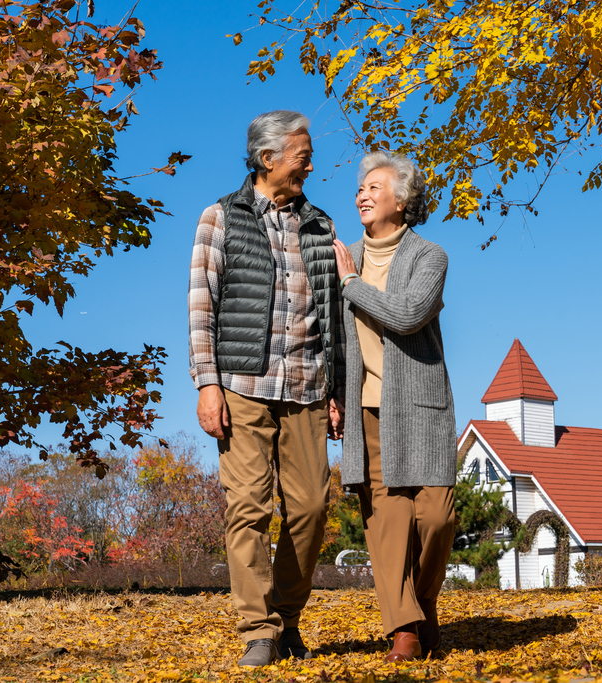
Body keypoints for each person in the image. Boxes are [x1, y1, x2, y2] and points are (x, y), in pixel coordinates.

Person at [188, 110, 345, 668]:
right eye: (301, 153)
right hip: (242, 385)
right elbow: (202, 308)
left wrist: (337, 390)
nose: (309, 162)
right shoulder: (220, 218)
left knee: (309, 508)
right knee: (248, 507)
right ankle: (259, 629)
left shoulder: (321, 226)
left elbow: (333, 315)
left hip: (306, 386)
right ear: (266, 158)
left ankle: (288, 615)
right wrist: (208, 384)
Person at [332, 150, 457, 662]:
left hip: (421, 408)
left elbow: (407, 315)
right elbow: (335, 339)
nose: (363, 194)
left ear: (402, 202)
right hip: (366, 409)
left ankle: (423, 604)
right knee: (385, 523)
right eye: (361, 188)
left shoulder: (430, 257)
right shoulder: (344, 256)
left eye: (376, 187)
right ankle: (403, 628)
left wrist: (352, 286)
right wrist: (333, 397)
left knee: (436, 518)